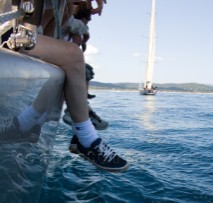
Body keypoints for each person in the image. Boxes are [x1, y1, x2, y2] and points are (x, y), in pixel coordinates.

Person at [0, 0, 128, 172]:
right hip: (8, 31)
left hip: (18, 33)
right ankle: (86, 138)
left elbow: (50, 26)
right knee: (74, 56)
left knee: (67, 67)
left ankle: (25, 124)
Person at [60, 1, 108, 130]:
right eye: (88, 20)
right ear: (83, 19)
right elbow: (81, 28)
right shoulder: (71, 24)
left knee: (86, 70)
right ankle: (79, 107)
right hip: (59, 62)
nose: (88, 23)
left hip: (61, 59)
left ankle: (83, 105)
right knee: (85, 70)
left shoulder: (70, 27)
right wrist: (85, 35)